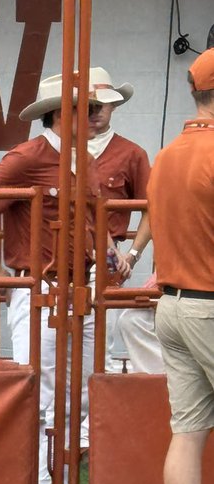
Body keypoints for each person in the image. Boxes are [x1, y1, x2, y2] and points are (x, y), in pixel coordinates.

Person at [0, 72, 130, 484]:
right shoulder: (29, 156)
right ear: (62, 114)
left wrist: (113, 259)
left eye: (95, 109)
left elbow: (95, 221)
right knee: (41, 392)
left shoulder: (81, 159)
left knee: (80, 392)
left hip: (78, 285)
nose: (97, 116)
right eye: (89, 109)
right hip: (41, 285)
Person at [145, 47, 214, 484]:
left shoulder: (167, 153)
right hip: (209, 306)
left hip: (171, 303)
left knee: (187, 431)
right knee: (187, 431)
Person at [84, 66, 155, 370]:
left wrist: (133, 255)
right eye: (90, 105)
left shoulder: (132, 154)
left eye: (103, 104)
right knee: (57, 345)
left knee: (102, 347)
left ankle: (98, 415)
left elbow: (151, 208)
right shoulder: (60, 149)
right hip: (59, 258)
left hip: (107, 258)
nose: (97, 111)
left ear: (114, 106)